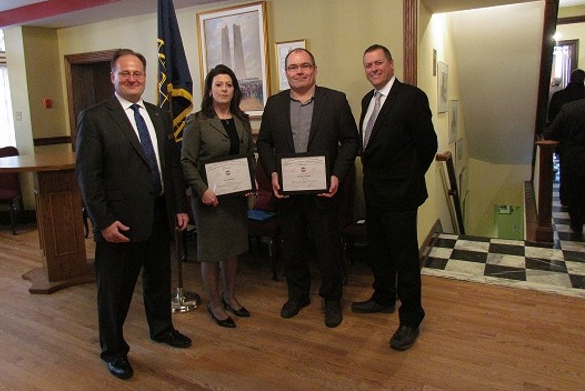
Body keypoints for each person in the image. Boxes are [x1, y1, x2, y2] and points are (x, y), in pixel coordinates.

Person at [76, 49, 191, 380]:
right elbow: (88, 175)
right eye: (124, 73)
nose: (132, 79)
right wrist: (103, 221)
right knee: (114, 290)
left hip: (158, 213)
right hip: (119, 223)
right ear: (112, 76)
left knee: (158, 278)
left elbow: (170, 166)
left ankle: (162, 329)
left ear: (145, 77)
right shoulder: (96, 117)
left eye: (138, 73)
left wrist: (179, 208)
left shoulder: (158, 115)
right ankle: (113, 350)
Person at [256, 48, 359, 328]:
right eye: (292, 67)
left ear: (314, 69)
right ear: (286, 73)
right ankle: (298, 295)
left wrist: (337, 176)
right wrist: (273, 173)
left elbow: (351, 141)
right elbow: (263, 143)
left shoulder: (335, 101)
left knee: (328, 247)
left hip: (324, 191)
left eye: (304, 66)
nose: (299, 72)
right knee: (293, 247)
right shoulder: (274, 104)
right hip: (288, 193)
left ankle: (332, 299)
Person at [352, 44, 437, 351]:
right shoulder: (367, 100)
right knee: (378, 250)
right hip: (374, 192)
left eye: (378, 63)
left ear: (391, 64)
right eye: (368, 65)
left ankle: (411, 318)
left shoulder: (411, 98)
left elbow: (427, 145)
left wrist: (409, 179)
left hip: (401, 194)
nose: (373, 69)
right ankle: (384, 297)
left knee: (404, 258)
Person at [181, 64, 255, 329]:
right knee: (211, 252)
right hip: (208, 199)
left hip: (235, 197)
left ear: (235, 90)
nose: (224, 89)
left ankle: (230, 296)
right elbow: (186, 162)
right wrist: (203, 190)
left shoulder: (242, 119)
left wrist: (250, 181)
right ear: (210, 90)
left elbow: (248, 156)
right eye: (219, 85)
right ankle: (214, 303)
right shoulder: (197, 121)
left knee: (233, 249)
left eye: (229, 85)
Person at [544, 97, 585, 239]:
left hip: (574, 156)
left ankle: (577, 225)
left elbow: (550, 133)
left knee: (575, 191)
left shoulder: (569, 108)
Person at [547, 69, 585, 207]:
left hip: (567, 145)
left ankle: (567, 200)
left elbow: (551, 119)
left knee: (567, 176)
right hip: (576, 144)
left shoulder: (560, 97)